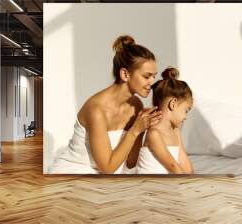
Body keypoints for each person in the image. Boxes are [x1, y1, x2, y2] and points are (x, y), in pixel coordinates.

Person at [49, 35, 162, 174]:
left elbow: (131, 163)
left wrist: (143, 127)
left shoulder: (136, 105)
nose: (152, 82)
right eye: (146, 76)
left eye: (154, 76)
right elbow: (107, 168)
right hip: (77, 170)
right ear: (125, 74)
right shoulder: (96, 110)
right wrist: (135, 130)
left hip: (112, 172)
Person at [136, 67, 194, 174]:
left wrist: (194, 179)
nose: (185, 117)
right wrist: (188, 185)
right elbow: (172, 166)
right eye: (186, 110)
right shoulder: (154, 133)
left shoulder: (175, 130)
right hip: (148, 187)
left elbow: (184, 161)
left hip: (166, 184)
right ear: (173, 104)